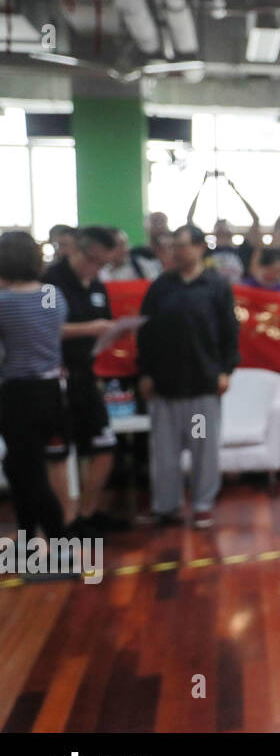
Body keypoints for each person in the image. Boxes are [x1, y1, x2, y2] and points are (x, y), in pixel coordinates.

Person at [136, 225, 240, 529]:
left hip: (202, 383)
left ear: (199, 248)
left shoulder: (216, 285)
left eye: (182, 245)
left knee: (202, 449)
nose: (176, 252)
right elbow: (146, 333)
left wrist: (225, 370)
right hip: (165, 383)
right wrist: (145, 372)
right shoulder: (161, 286)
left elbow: (229, 332)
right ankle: (165, 506)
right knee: (164, 452)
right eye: (173, 246)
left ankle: (202, 504)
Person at [42, 226, 124, 534]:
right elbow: (46, 329)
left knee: (104, 444)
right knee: (59, 452)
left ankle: (88, 512)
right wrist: (91, 328)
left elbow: (104, 323)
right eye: (94, 261)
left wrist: (112, 332)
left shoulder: (98, 284)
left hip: (87, 374)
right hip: (56, 376)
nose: (98, 268)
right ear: (77, 251)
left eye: (104, 263)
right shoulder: (51, 283)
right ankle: (66, 520)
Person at [0, 231, 68, 539]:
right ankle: (28, 540)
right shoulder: (54, 295)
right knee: (20, 467)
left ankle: (58, 542)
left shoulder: (3, 302)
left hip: (17, 394)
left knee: (31, 475)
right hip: (51, 391)